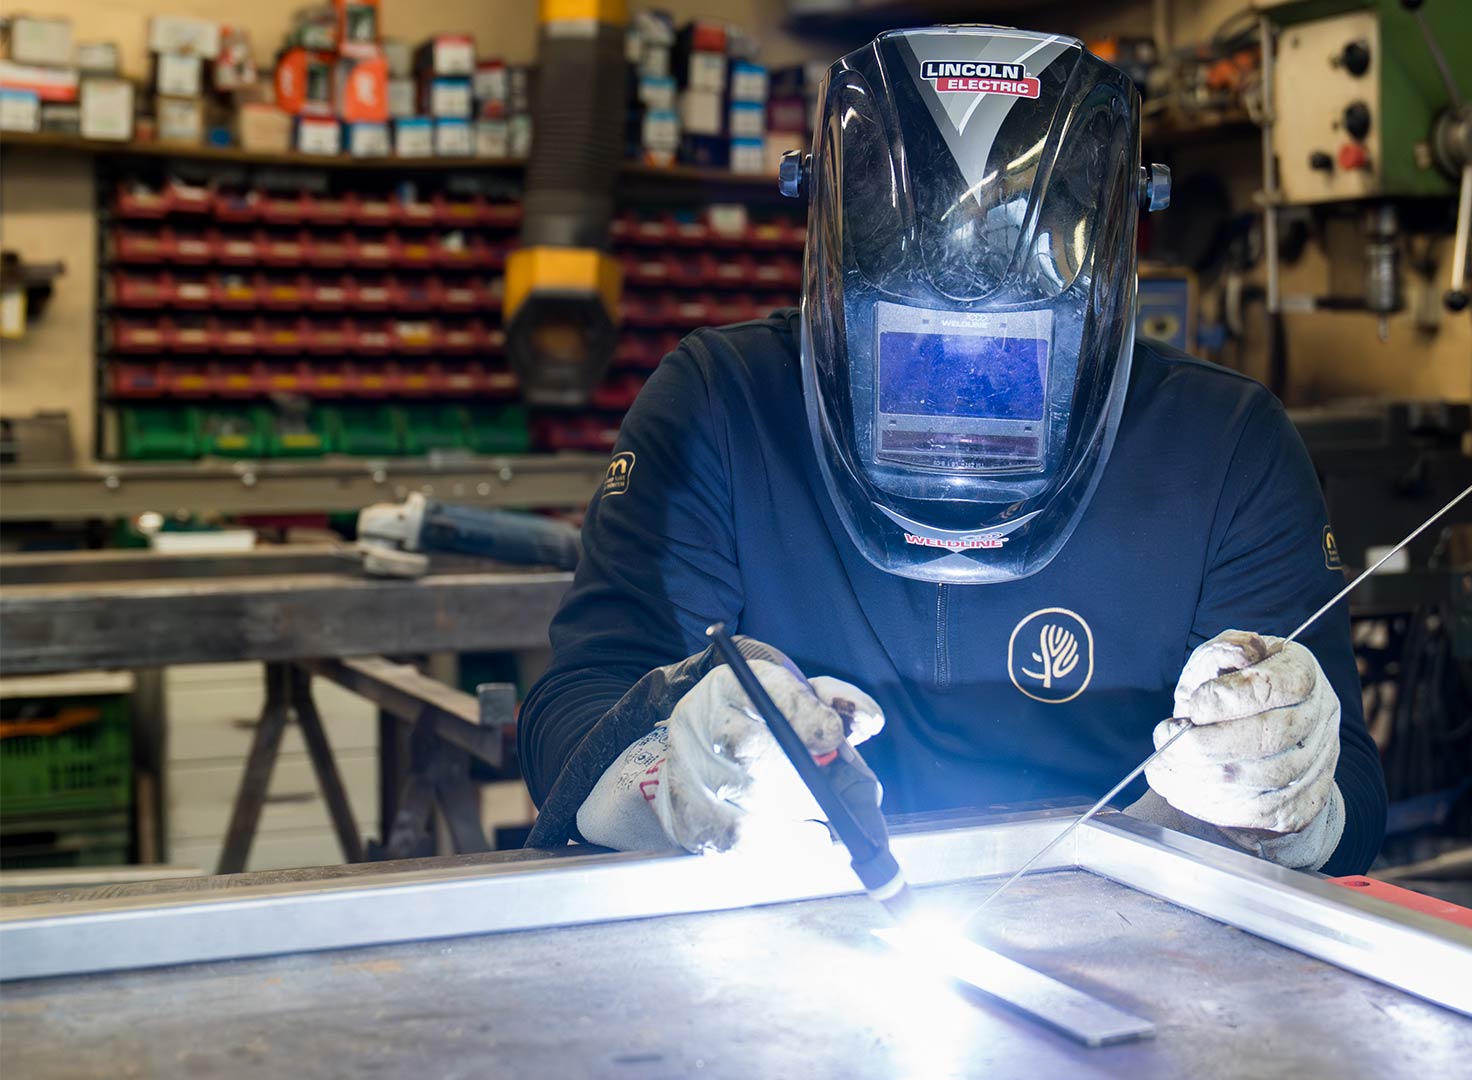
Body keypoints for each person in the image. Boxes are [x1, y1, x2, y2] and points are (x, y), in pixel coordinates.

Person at [519, 26, 1386, 875]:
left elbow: (1350, 784)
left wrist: (1283, 797)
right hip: (784, 938)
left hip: (1127, 954)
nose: (958, 420)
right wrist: (670, 771)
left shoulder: (1226, 446)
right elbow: (577, 706)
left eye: (1011, 360)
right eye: (917, 352)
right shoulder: (718, 404)